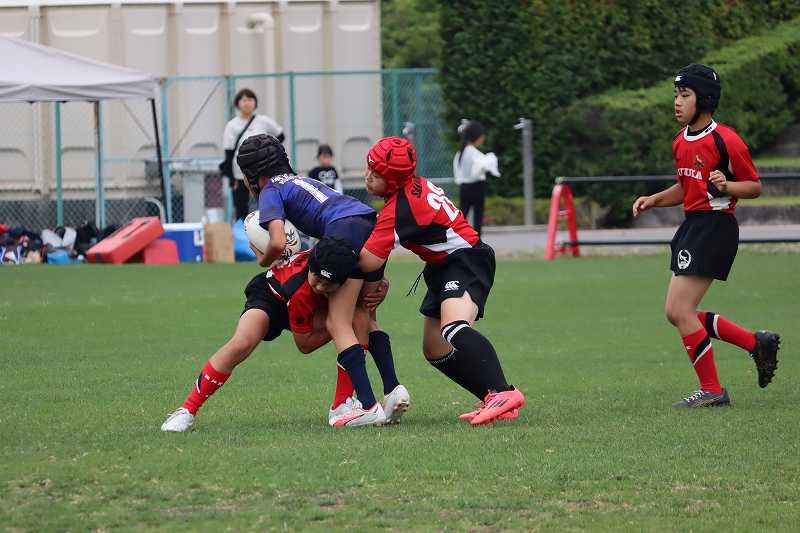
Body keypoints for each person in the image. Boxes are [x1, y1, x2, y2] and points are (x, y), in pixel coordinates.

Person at [632, 63, 780, 408]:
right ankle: (756, 343)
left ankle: (712, 390)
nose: (677, 102)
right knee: (678, 312)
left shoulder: (726, 139)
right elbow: (687, 186)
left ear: (705, 99)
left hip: (715, 227)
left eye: (685, 95)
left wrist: (728, 186)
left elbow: (754, 186)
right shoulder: (680, 140)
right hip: (693, 226)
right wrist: (655, 199)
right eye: (676, 95)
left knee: (679, 310)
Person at [236, 134, 409, 427]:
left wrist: (264, 261)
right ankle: (393, 389)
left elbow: (277, 242)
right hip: (369, 222)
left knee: (337, 322)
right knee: (364, 314)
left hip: (343, 231)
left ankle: (367, 405)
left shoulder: (269, 191)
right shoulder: (299, 180)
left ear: (254, 174)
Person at [359, 136, 525, 425]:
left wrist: (326, 256)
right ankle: (493, 397)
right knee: (434, 347)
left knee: (454, 328)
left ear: (394, 181)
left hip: (465, 260)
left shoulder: (401, 208)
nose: (367, 175)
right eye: (368, 168)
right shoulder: (408, 189)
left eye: (376, 173)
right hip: (443, 266)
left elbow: (367, 260)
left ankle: (503, 392)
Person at [161, 236, 380, 432]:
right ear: (310, 268)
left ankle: (341, 404)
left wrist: (382, 285)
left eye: (329, 284)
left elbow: (369, 275)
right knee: (242, 342)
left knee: (358, 319)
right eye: (317, 279)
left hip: (304, 305)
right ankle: (186, 410)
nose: (321, 287)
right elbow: (304, 345)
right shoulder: (301, 290)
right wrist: (336, 325)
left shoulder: (342, 266)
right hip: (270, 297)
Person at [221, 88, 284, 222]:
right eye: (244, 100)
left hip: (263, 172)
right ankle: (242, 232)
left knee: (267, 204)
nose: (247, 103)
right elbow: (229, 153)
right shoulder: (232, 125)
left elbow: (280, 135)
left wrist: (269, 152)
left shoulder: (263, 121)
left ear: (255, 103)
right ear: (238, 104)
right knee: (241, 208)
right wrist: (231, 179)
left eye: (250, 100)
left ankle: (267, 229)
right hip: (240, 174)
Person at [452, 120, 499, 236]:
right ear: (476, 137)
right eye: (482, 137)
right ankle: (476, 241)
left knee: (462, 215)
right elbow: (478, 170)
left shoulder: (461, 152)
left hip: (464, 187)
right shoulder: (472, 152)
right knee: (477, 217)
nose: (483, 139)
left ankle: (457, 237)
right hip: (476, 187)